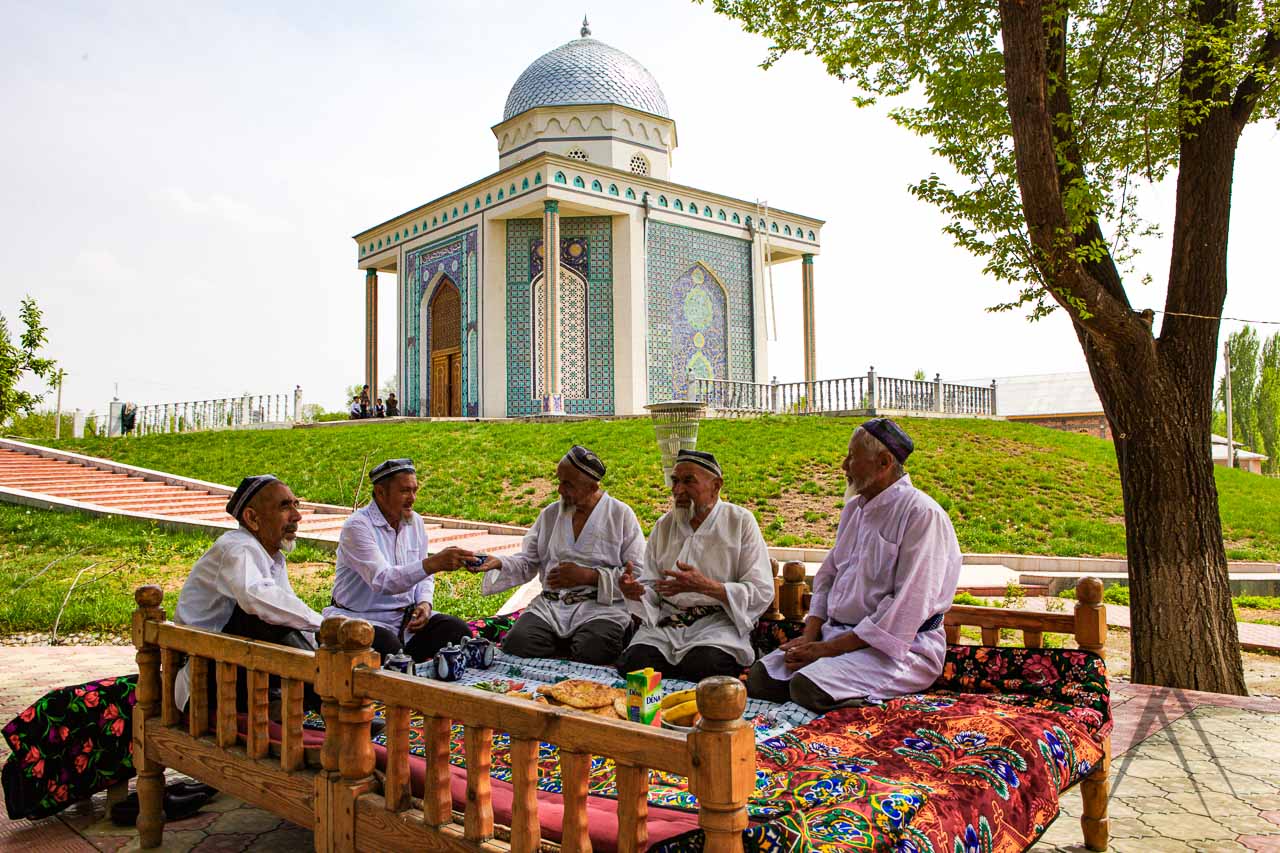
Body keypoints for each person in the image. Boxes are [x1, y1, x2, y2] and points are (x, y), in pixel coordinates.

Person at [749, 419, 963, 712]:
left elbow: (906, 608)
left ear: (884, 462)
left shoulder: (922, 515)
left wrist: (826, 651)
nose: (843, 465)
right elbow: (827, 577)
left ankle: (875, 710)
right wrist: (810, 636)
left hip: (899, 651)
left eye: (852, 457)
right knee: (761, 678)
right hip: (835, 637)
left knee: (807, 686)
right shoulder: (855, 509)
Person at [468, 446, 645, 665]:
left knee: (594, 650)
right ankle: (563, 645)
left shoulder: (620, 515)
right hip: (552, 607)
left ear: (592, 486)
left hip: (600, 609)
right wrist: (499, 562)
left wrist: (588, 577)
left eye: (568, 484)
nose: (560, 490)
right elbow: (529, 561)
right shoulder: (550, 514)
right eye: (559, 481)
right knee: (518, 643)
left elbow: (637, 573)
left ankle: (578, 645)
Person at [617, 450, 772, 682]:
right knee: (636, 665)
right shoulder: (664, 525)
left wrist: (707, 587)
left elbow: (761, 590)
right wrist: (637, 591)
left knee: (705, 666)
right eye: (675, 481)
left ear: (716, 485)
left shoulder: (740, 522)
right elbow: (652, 585)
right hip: (667, 625)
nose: (678, 490)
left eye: (688, 481)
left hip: (717, 625)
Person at [173, 475, 322, 711]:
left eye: (296, 505)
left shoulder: (272, 557)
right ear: (252, 518)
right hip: (204, 682)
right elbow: (258, 600)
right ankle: (328, 699)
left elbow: (289, 609)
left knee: (374, 636)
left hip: (235, 668)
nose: (297, 516)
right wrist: (324, 625)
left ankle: (325, 695)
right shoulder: (238, 547)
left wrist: (328, 639)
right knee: (265, 618)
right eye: (285, 506)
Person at [323, 458, 474, 663]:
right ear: (380, 492)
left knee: (457, 631)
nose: (412, 498)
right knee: (390, 649)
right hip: (363, 619)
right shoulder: (357, 527)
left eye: (415, 490)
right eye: (404, 491)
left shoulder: (415, 522)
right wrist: (435, 563)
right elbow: (384, 581)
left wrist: (424, 603)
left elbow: (423, 575)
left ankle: (422, 675)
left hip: (407, 622)